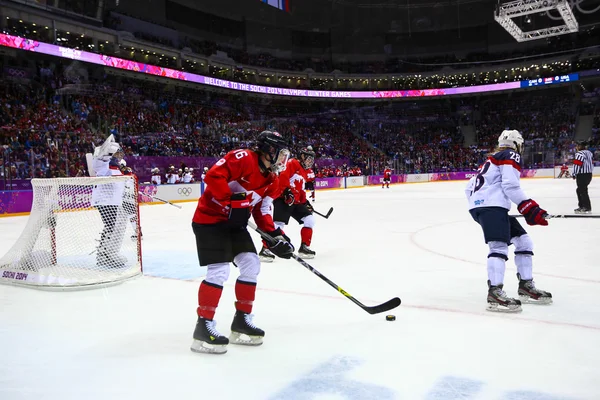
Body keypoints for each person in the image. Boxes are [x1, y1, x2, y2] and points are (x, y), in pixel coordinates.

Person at [190, 131, 295, 355]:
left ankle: (242, 321)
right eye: (281, 154)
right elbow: (213, 176)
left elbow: (262, 210)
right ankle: (203, 327)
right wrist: (229, 202)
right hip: (210, 221)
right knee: (218, 271)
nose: (283, 160)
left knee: (251, 264)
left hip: (235, 224)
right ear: (268, 150)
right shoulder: (243, 158)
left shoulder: (272, 180)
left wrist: (275, 236)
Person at [465, 130, 552, 313]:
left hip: (485, 206)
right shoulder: (510, 154)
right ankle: (495, 292)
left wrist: (480, 204)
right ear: (517, 144)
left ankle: (525, 286)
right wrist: (529, 207)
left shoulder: (490, 159)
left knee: (523, 241)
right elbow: (510, 185)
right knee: (498, 246)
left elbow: (468, 189)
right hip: (491, 206)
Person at [259, 146, 317, 262]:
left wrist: (305, 203)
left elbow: (301, 189)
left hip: (295, 202)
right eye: (308, 158)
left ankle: (304, 247)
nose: (310, 161)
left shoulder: (305, 171)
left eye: (312, 159)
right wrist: (285, 191)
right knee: (278, 225)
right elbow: (282, 178)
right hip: (283, 199)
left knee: (309, 219)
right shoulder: (292, 163)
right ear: (302, 156)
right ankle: (265, 249)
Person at [89, 135, 129, 268]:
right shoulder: (105, 166)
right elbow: (98, 164)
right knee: (110, 226)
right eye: (117, 154)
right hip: (105, 201)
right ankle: (104, 255)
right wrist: (104, 153)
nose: (119, 156)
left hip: (112, 201)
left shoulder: (117, 168)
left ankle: (104, 253)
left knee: (111, 226)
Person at [572, 141, 594, 214]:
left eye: (577, 146)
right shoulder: (589, 153)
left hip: (582, 175)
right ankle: (583, 206)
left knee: (582, 191)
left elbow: (577, 164)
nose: (576, 147)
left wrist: (574, 173)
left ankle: (586, 207)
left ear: (580, 146)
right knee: (580, 190)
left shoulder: (579, 154)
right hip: (589, 174)